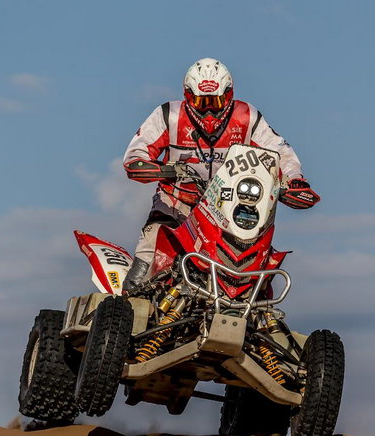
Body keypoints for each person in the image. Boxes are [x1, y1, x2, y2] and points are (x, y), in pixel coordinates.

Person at [121, 57, 320, 291]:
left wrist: (295, 180)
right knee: (150, 250)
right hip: (176, 205)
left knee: (260, 258)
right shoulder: (168, 115)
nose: (208, 111)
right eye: (200, 101)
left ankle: (260, 311)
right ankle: (127, 306)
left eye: (214, 102)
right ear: (187, 96)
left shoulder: (247, 117)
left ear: (228, 95)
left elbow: (281, 152)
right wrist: (156, 167)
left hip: (228, 209)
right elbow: (136, 153)